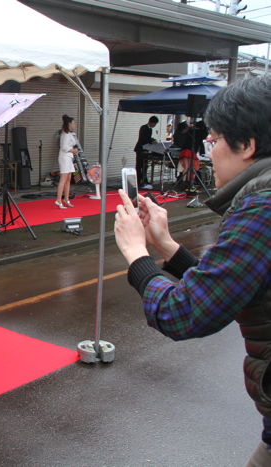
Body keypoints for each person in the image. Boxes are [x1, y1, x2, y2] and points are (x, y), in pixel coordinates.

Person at [113, 75, 271, 466]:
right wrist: (167, 246)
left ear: (247, 145)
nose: (207, 152)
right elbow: (230, 288)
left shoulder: (261, 208)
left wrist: (136, 253)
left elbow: (185, 313)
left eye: (213, 140)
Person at [55, 114, 78, 209]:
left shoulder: (68, 134)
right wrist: (73, 150)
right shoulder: (65, 134)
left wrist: (73, 151)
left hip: (68, 157)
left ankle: (66, 199)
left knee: (68, 179)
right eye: (73, 123)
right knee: (63, 179)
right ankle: (58, 200)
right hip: (65, 157)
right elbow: (64, 147)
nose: (75, 125)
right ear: (69, 124)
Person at [134, 116, 159, 190]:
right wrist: (151, 141)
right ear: (151, 122)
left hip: (145, 149)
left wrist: (153, 140)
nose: (154, 126)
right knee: (139, 165)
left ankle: (144, 180)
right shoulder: (143, 127)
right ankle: (138, 181)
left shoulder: (150, 129)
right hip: (140, 149)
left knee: (145, 166)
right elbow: (143, 138)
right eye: (155, 124)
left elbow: (148, 138)